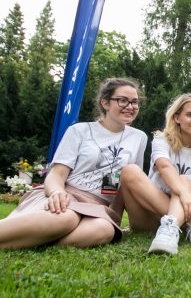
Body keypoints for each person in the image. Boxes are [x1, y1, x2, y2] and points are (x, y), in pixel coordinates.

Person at [0, 77, 147, 249]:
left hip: (97, 206)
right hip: (65, 194)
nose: (130, 107)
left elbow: (125, 186)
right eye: (123, 100)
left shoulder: (138, 137)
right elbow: (57, 173)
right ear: (105, 103)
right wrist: (56, 193)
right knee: (66, 218)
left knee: (104, 230)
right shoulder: (79, 130)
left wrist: (114, 216)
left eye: (135, 102)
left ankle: (38, 239)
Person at [119, 93, 191, 255]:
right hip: (146, 216)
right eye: (190, 114)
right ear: (177, 117)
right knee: (130, 170)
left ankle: (171, 228)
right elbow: (164, 167)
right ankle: (175, 224)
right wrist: (185, 194)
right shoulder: (161, 140)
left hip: (184, 219)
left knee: (184, 178)